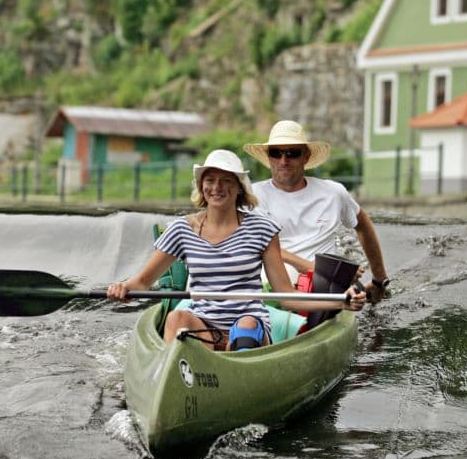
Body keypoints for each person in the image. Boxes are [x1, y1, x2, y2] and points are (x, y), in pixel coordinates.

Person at [107, 149, 366, 351]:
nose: (217, 188)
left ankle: (238, 375)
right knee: (176, 320)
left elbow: (286, 296)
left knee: (246, 327)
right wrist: (123, 288)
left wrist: (341, 301)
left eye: (226, 181)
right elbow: (142, 281)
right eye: (210, 180)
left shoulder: (263, 230)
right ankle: (178, 378)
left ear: (239, 188)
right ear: (201, 186)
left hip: (248, 319)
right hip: (203, 322)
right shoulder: (181, 230)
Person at [244, 120, 390, 303]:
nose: (283, 161)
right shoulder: (252, 196)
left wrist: (379, 280)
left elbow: (363, 224)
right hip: (275, 284)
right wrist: (320, 269)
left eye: (292, 153)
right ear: (268, 157)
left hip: (324, 287)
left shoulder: (334, 193)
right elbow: (259, 246)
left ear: (306, 156)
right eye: (276, 153)